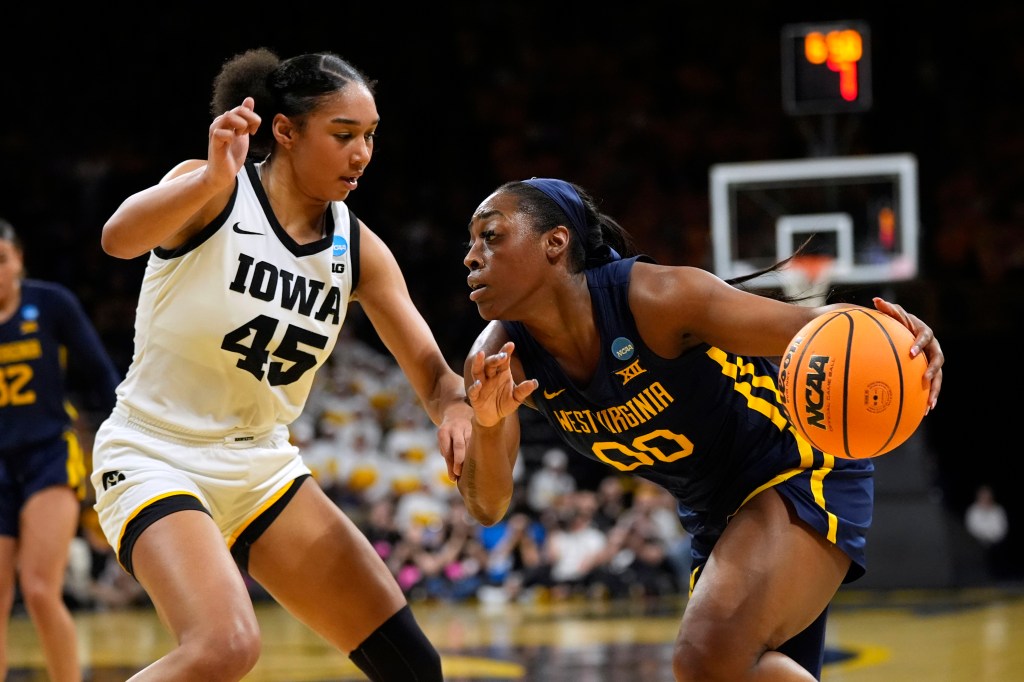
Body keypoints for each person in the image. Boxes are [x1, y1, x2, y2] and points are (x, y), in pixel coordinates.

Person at [451, 178, 945, 681]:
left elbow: (811, 329)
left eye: (490, 236)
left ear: (554, 243)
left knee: (704, 660)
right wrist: (488, 425)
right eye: (470, 242)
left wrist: (896, 336)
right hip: (715, 515)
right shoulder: (494, 363)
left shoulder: (658, 298)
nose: (471, 256)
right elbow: (487, 506)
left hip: (794, 467)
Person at [90, 48, 472, 681]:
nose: (362, 154)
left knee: (413, 666)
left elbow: (433, 374)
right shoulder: (214, 189)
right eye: (344, 135)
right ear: (286, 131)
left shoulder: (358, 248)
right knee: (224, 646)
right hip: (155, 451)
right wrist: (210, 179)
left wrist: (458, 404)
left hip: (261, 466)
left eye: (370, 137)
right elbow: (117, 238)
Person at [0, 218, 121, 681]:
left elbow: (102, 376)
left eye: (2, 259)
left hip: (47, 455)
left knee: (37, 589)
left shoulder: (50, 304)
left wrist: (121, 439)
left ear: (19, 260)